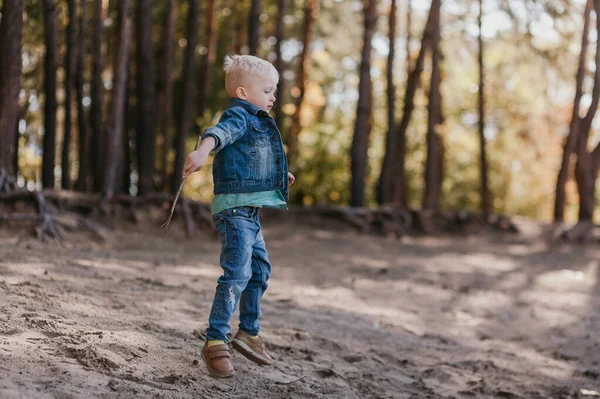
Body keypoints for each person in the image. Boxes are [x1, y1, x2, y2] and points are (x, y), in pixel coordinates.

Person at [183, 54, 295, 378]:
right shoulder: (240, 115)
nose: (273, 97)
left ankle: (248, 332)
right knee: (237, 273)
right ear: (244, 93)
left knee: (259, 271)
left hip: (249, 214)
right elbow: (220, 132)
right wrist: (203, 151)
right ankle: (215, 339)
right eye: (267, 90)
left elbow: (252, 160)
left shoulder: (257, 120)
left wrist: (278, 176)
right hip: (234, 213)